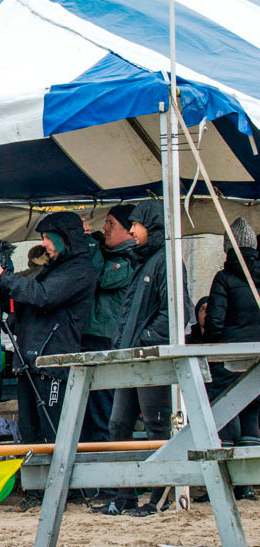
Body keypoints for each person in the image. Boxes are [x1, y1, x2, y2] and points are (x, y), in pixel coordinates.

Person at [94, 199, 190, 516]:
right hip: (133, 358)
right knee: (118, 424)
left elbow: (176, 312)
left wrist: (144, 340)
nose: (132, 231)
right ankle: (125, 497)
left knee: (156, 426)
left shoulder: (167, 261)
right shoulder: (145, 262)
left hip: (151, 359)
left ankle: (157, 500)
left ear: (153, 226)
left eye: (137, 224)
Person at [0, 213, 95, 451]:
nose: (43, 244)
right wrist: (2, 286)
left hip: (52, 363)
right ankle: (36, 486)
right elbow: (30, 297)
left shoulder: (79, 269)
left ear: (64, 238)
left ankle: (61, 486)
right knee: (30, 430)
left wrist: (3, 277)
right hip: (31, 360)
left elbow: (43, 296)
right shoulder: (55, 268)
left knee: (52, 430)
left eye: (46, 238)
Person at [203, 218, 260, 501]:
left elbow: (214, 321)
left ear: (228, 249)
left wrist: (210, 344)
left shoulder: (224, 279)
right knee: (252, 416)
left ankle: (225, 484)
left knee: (225, 412)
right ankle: (247, 485)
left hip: (228, 355)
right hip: (258, 357)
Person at [80, 205, 136, 443]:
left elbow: (98, 279)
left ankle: (108, 470)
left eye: (111, 223)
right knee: (86, 411)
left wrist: (91, 246)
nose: (105, 228)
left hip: (107, 342)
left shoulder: (128, 260)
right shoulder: (110, 256)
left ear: (128, 229)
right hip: (91, 340)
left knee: (104, 410)